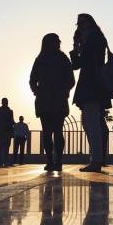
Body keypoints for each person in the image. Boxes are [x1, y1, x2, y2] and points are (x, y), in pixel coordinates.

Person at [71, 14, 111, 173]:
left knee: (92, 122)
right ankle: (95, 158)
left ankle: (96, 160)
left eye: (82, 23)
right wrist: (76, 46)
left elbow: (88, 61)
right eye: (78, 23)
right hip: (89, 84)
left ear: (89, 23)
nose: (79, 26)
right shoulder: (88, 39)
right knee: (88, 123)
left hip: (93, 84)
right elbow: (76, 65)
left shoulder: (95, 37)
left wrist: (82, 44)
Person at [30, 33, 75, 171]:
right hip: (44, 101)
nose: (58, 44)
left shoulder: (63, 59)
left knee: (57, 131)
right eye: (55, 42)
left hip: (58, 101)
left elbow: (71, 80)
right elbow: (32, 79)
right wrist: (37, 91)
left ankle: (58, 161)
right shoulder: (40, 59)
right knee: (48, 132)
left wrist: (64, 90)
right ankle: (50, 161)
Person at [0, 98, 15, 168]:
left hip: (2, 130)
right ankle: (4, 161)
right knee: (5, 146)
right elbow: (12, 121)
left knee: (1, 146)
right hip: (7, 131)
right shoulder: (10, 111)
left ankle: (0, 162)